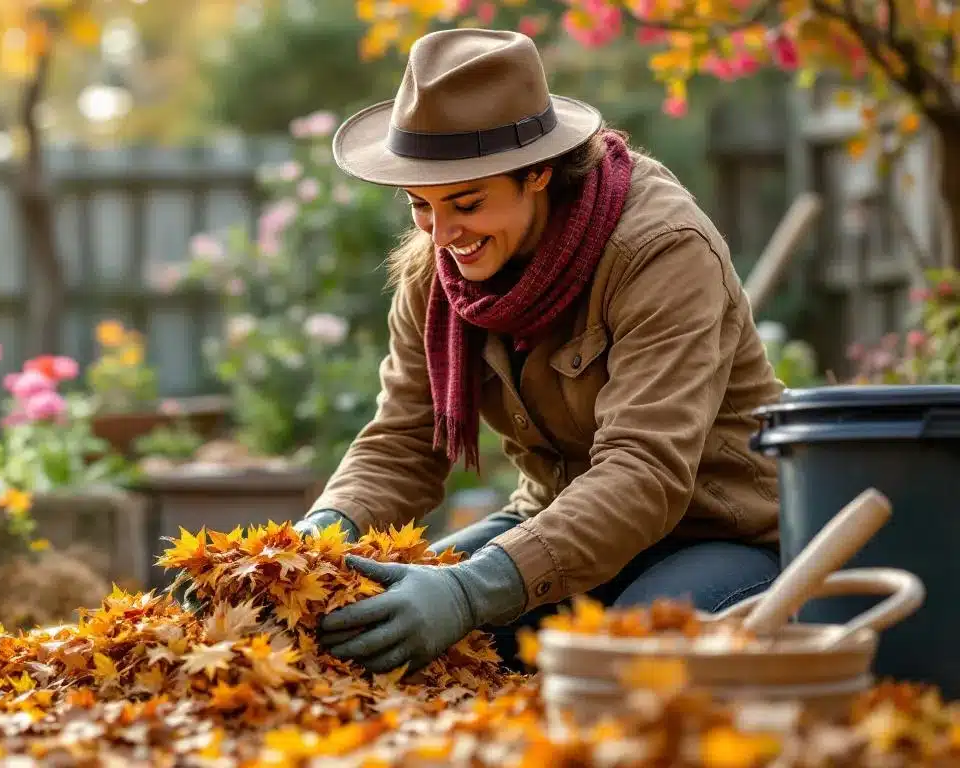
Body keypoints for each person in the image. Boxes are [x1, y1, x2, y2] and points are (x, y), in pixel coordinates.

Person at [291, 27, 786, 675]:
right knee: (379, 633)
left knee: (615, 668)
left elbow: (644, 472)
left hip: (719, 532)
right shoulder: (435, 272)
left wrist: (473, 589)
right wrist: (309, 543)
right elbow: (405, 441)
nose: (442, 235)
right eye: (420, 206)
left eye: (466, 203)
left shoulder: (661, 250)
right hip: (556, 531)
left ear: (539, 173)